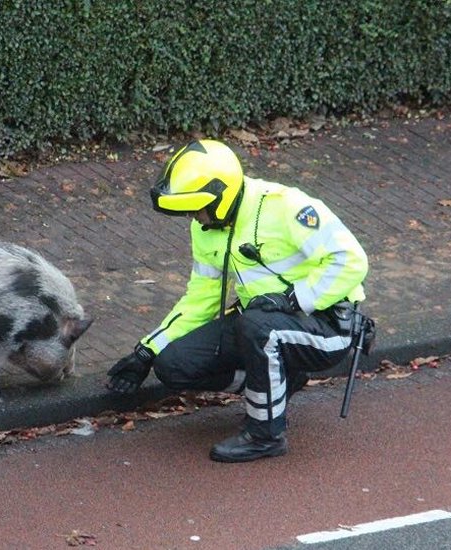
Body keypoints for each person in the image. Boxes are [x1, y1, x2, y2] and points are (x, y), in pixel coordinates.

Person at [106, 139, 370, 462]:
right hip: (258, 321)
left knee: (261, 328)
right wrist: (147, 349)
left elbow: (351, 259)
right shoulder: (205, 229)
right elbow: (199, 298)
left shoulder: (287, 207)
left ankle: (265, 435)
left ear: (220, 198)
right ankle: (278, 383)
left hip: (327, 326)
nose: (194, 217)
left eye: (196, 208)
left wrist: (293, 299)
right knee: (173, 364)